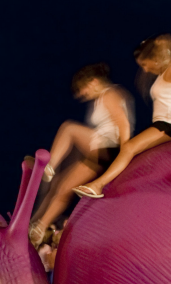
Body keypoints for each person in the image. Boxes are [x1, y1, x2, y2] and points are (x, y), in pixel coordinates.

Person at [29, 63, 134, 245]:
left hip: (108, 148)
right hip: (99, 153)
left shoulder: (110, 94)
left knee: (68, 128)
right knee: (63, 188)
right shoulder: (102, 97)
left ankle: (50, 166)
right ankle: (39, 229)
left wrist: (125, 153)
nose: (81, 95)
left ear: (93, 82)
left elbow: (123, 124)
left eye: (82, 89)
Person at [74, 34, 171, 199]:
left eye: (144, 64)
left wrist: (161, 46)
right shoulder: (165, 72)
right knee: (131, 150)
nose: (145, 69)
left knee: (128, 148)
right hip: (164, 124)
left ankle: (97, 185)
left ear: (156, 57)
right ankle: (103, 182)